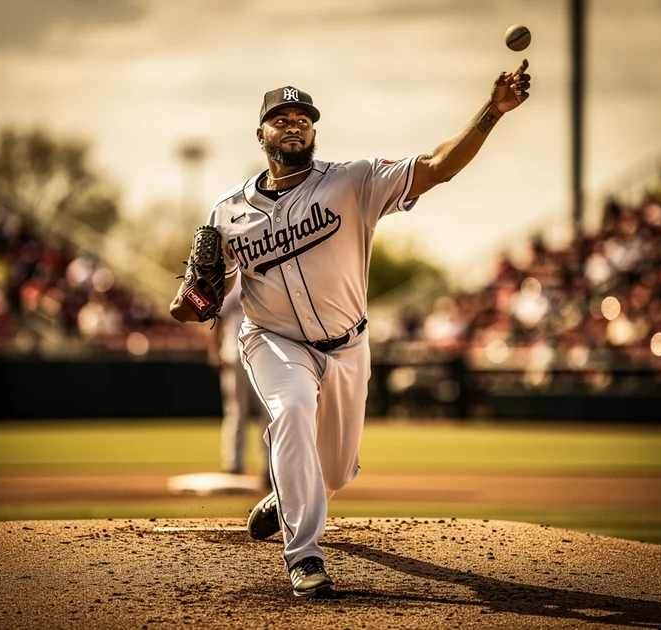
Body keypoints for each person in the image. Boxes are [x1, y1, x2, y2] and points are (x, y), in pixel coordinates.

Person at [170, 60, 532, 597]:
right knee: (291, 408)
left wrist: (491, 113)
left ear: (314, 130)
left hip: (348, 346)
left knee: (336, 472)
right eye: (281, 117)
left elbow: (436, 166)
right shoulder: (228, 213)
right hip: (273, 340)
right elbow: (193, 306)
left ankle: (292, 493)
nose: (294, 124)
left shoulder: (352, 181)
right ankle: (305, 557)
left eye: (303, 117)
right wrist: (193, 298)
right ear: (260, 132)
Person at [207, 281, 270, 487]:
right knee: (236, 411)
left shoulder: (267, 279)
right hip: (233, 353)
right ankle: (234, 464)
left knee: (269, 414)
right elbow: (218, 320)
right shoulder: (232, 282)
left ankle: (270, 467)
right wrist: (215, 350)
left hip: (265, 355)